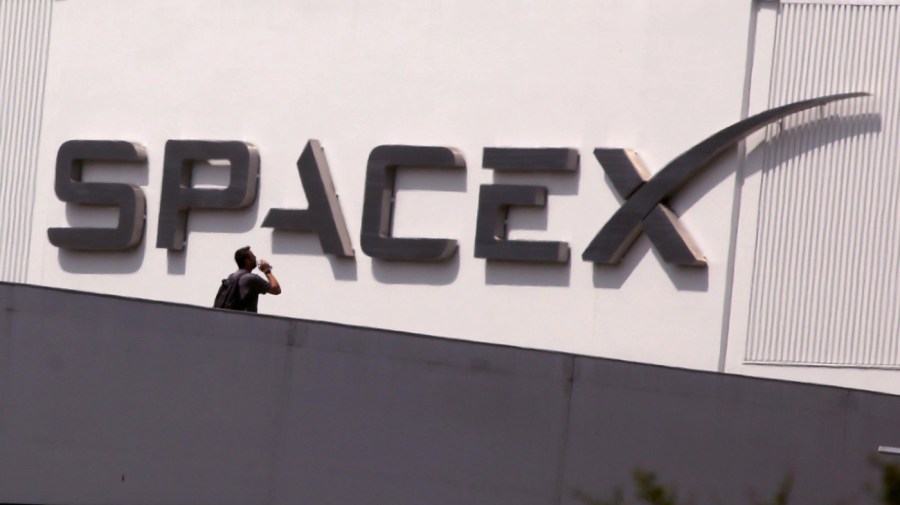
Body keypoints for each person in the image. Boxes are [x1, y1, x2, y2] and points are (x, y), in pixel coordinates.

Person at [228, 246, 281, 313]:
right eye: (253, 256)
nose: (255, 258)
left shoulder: (232, 277)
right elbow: (276, 289)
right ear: (247, 261)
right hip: (246, 320)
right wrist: (267, 270)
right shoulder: (251, 279)